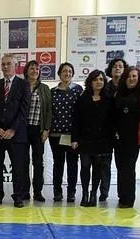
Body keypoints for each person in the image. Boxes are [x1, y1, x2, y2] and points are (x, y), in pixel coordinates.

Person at [0, 54, 31, 208]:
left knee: (18, 167)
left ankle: (18, 197)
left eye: (8, 64)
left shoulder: (24, 85)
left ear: (16, 66)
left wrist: (13, 129)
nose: (5, 67)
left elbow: (24, 111)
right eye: (3, 64)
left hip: (17, 134)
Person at [71, 69, 115, 207]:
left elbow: (113, 121)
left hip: (103, 141)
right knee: (85, 167)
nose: (99, 82)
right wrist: (74, 139)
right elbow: (76, 120)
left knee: (98, 169)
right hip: (85, 140)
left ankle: (93, 193)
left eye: (101, 79)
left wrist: (111, 139)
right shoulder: (82, 99)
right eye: (96, 79)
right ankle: (84, 193)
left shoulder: (109, 99)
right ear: (90, 82)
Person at [49, 63, 83, 202]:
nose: (67, 73)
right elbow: (49, 112)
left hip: (72, 135)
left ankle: (71, 192)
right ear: (59, 74)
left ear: (73, 74)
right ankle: (57, 192)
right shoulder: (53, 92)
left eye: (69, 71)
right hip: (55, 135)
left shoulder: (78, 90)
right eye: (64, 71)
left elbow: (82, 113)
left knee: (72, 164)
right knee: (58, 164)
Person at [113, 66, 140, 208]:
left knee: (128, 167)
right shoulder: (119, 94)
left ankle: (129, 199)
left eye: (134, 76)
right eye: (129, 76)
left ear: (139, 79)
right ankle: (122, 197)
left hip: (133, 138)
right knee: (120, 167)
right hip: (118, 138)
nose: (131, 79)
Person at [100, 58, 129, 201]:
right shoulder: (105, 87)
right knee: (105, 163)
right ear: (110, 70)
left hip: (124, 133)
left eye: (120, 66)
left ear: (124, 70)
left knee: (122, 164)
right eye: (115, 66)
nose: (117, 69)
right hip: (106, 131)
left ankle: (123, 195)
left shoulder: (128, 87)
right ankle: (103, 193)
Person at [23, 60, 52, 202]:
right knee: (23, 162)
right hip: (22, 129)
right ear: (26, 71)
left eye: (37, 69)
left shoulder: (45, 88)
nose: (34, 71)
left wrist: (46, 129)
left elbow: (48, 111)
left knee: (38, 162)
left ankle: (38, 192)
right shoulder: (21, 86)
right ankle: (24, 191)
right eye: (31, 68)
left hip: (38, 129)